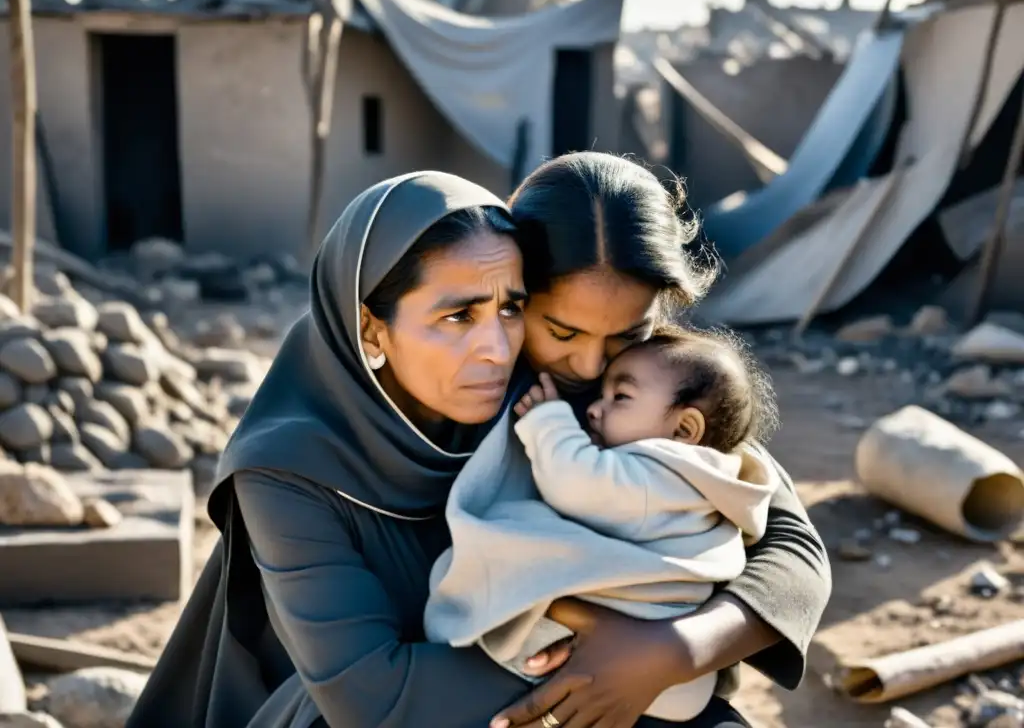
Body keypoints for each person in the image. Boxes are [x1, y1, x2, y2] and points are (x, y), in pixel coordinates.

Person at [127, 159, 829, 728]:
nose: (496, 347)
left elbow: (787, 542)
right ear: (371, 329)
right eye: (458, 315)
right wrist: (596, 656)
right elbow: (369, 696)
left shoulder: (582, 394)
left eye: (510, 310)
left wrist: (670, 649)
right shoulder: (293, 470)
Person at [423, 327, 780, 723]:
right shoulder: (715, 482)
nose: (595, 408)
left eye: (620, 397)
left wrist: (548, 422)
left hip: (634, 651)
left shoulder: (658, 475)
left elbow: (576, 484)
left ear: (684, 429)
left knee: (499, 554)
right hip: (673, 667)